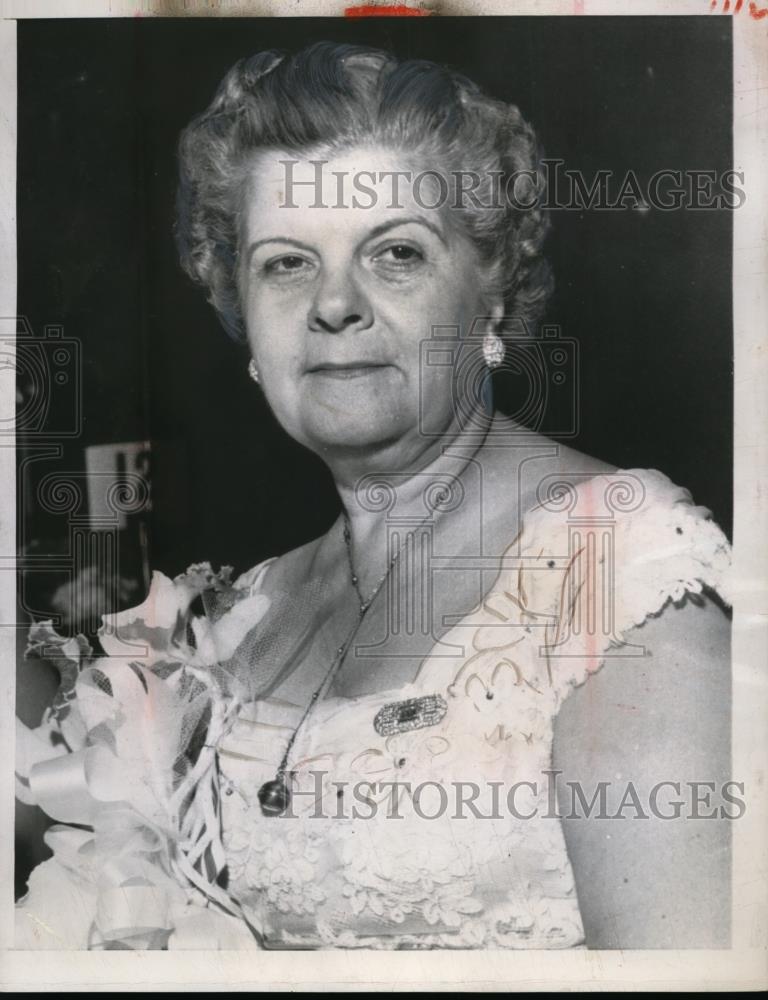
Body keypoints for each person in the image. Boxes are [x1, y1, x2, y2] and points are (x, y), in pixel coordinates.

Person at [15, 41, 733, 951]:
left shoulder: (623, 569)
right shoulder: (257, 607)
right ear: (241, 318)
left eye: (394, 253)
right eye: (286, 263)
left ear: (494, 296)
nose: (334, 304)